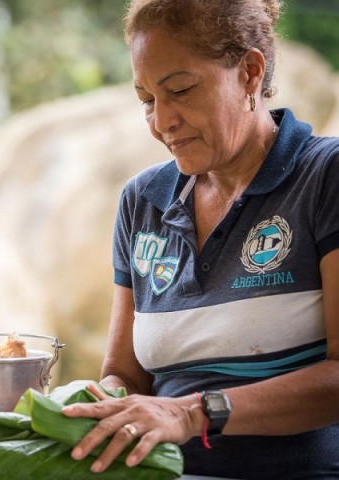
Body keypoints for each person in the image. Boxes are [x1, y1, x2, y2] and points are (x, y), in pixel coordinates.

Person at [61, 0, 339, 479]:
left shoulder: (324, 177)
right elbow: (125, 376)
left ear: (250, 73)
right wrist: (93, 404)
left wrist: (191, 414)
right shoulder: (142, 202)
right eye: (147, 99)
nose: (161, 121)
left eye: (181, 90)